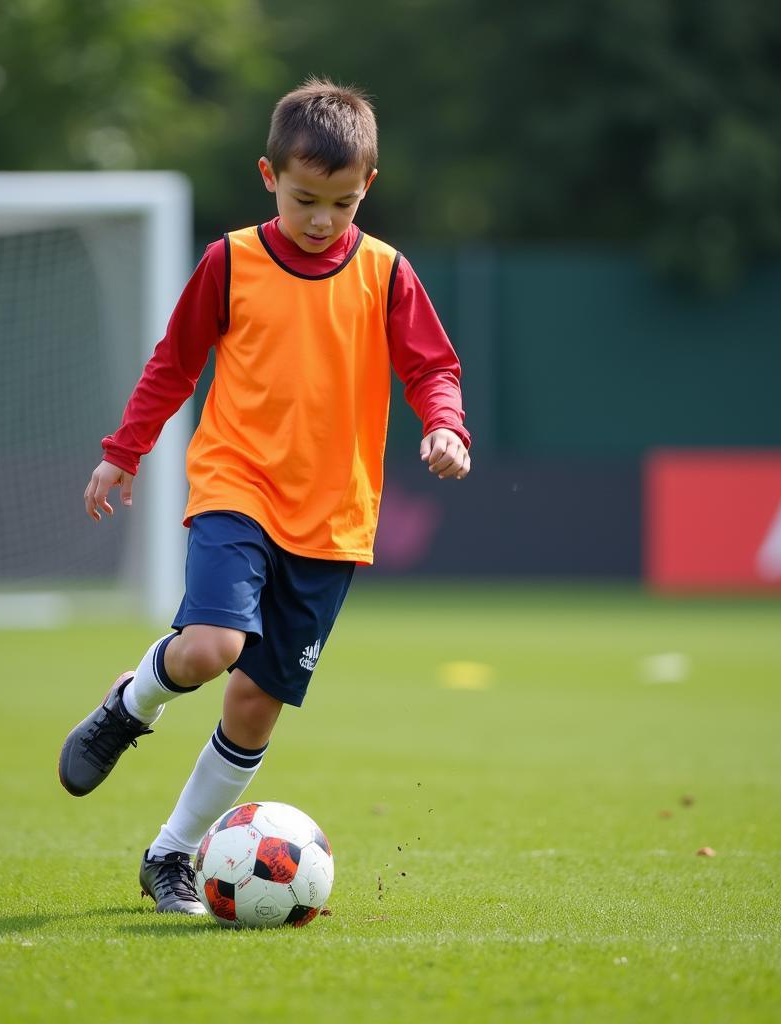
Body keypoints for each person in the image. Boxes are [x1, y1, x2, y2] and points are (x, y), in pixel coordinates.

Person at [58, 77, 471, 915]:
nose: (322, 220)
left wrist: (445, 426)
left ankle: (170, 854)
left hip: (333, 519)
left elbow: (433, 367)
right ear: (268, 175)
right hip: (235, 482)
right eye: (304, 198)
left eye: (342, 203)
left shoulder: (387, 273)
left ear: (369, 189)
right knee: (211, 647)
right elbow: (174, 363)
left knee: (254, 704)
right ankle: (128, 707)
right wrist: (123, 452)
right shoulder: (231, 261)